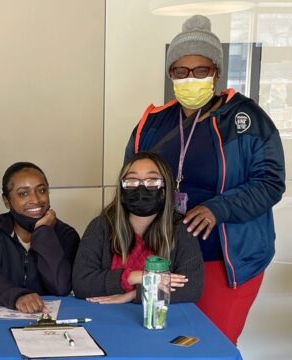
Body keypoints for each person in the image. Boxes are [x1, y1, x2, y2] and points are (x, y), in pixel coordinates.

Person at [125, 15, 285, 344]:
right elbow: (130, 181)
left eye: (201, 70)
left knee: (212, 344)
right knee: (160, 341)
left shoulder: (246, 119)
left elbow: (270, 181)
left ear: (216, 72)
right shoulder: (154, 123)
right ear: (171, 74)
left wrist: (218, 208)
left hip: (224, 260)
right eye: (180, 71)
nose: (190, 79)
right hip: (163, 256)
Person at [73, 152, 203, 304]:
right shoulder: (101, 226)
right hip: (106, 314)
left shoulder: (180, 229)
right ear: (121, 188)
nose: (141, 188)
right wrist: (134, 276)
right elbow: (81, 283)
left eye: (152, 180)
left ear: (166, 188)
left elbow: (191, 288)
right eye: (132, 180)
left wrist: (135, 294)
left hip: (160, 320)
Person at [0, 162, 80, 313]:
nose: (35, 200)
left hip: (46, 321)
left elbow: (60, 287)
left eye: (41, 190)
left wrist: (43, 231)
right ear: (7, 201)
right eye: (23, 193)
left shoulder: (66, 235)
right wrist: (18, 297)